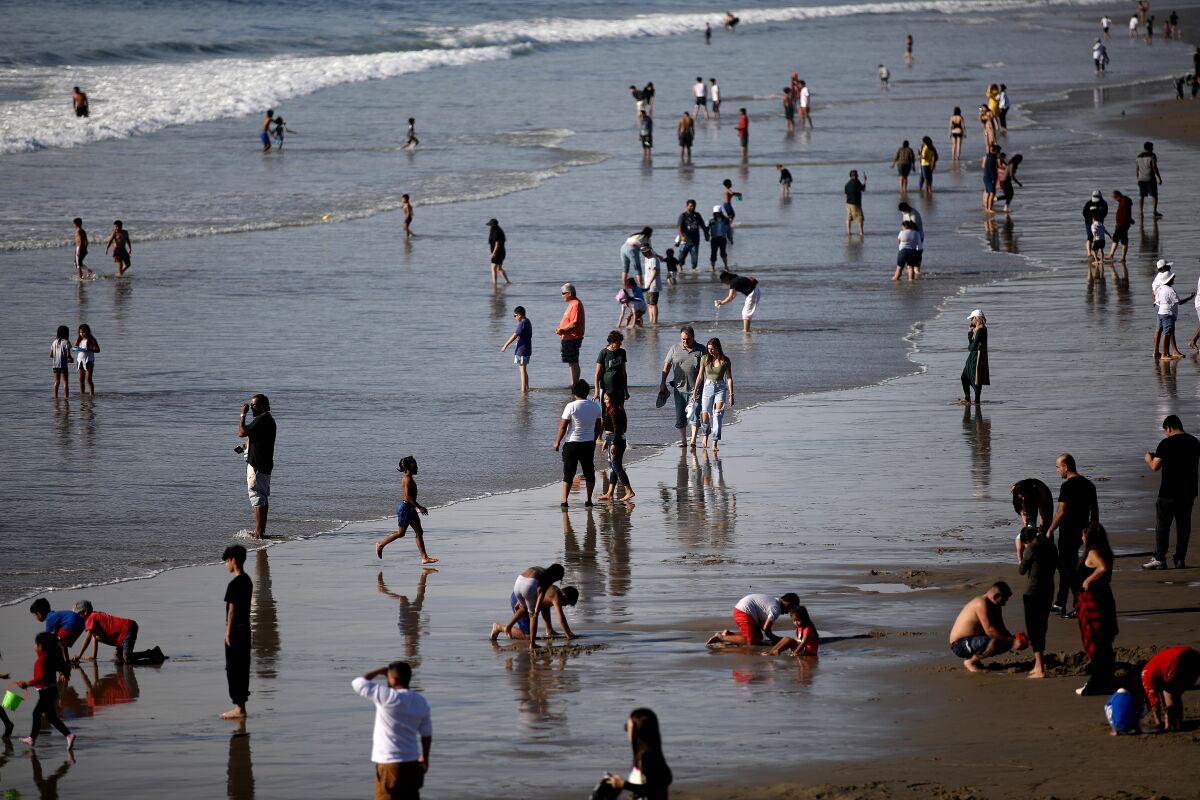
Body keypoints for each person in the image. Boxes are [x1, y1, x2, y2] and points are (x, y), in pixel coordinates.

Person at [351, 661, 432, 800]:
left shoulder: (386, 696)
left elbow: (358, 682)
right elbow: (426, 734)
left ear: (393, 679)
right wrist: (425, 757)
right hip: (412, 763)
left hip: (389, 765)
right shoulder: (420, 701)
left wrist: (380, 671)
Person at [1042, 453, 1098, 616]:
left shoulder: (1067, 486)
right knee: (1063, 565)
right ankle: (1060, 601)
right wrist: (1093, 530)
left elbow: (1061, 511)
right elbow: (1095, 510)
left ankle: (1079, 604)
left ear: (1066, 467)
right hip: (1083, 531)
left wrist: (1050, 529)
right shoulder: (1089, 485)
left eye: (1058, 467)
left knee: (1070, 570)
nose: (1057, 470)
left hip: (1068, 532)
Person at [1142, 414, 1200, 569]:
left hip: (1169, 491)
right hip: (1188, 491)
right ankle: (1180, 558)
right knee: (1183, 526)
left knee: (1163, 525)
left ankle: (1160, 558)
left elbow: (1155, 466)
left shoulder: (1166, 444)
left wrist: (1148, 458)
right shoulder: (1195, 442)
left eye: (1165, 431)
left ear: (1168, 428)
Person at [1075, 523, 1118, 695]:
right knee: (1104, 640)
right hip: (1105, 598)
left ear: (1090, 536)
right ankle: (1106, 678)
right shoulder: (1105, 550)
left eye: (1083, 535)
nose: (1082, 538)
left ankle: (1095, 682)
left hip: (1094, 601)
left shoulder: (1093, 552)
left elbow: (1103, 568)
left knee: (1097, 640)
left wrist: (1088, 580)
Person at [492, 564, 577, 648]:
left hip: (518, 584)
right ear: (565, 596)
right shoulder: (555, 593)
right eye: (567, 603)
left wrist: (549, 629)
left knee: (529, 608)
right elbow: (560, 617)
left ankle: (549, 630)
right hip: (526, 590)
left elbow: (544, 605)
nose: (565, 606)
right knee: (528, 633)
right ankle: (500, 628)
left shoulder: (545, 578)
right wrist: (568, 633)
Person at [15, 633, 74, 750]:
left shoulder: (43, 660)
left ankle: (32, 738)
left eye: (36, 644)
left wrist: (27, 683)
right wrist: (64, 673)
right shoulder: (49, 657)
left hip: (46, 692)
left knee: (37, 714)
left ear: (40, 646)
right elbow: (60, 668)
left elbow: (41, 678)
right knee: (50, 717)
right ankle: (68, 735)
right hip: (50, 691)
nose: (34, 646)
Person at [599, 708, 673, 799]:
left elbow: (654, 789)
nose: (626, 731)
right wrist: (617, 784)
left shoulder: (648, 757)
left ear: (639, 731)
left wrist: (624, 784)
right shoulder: (646, 756)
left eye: (628, 728)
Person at [947, 582, 1021, 672]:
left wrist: (1015, 640)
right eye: (1003, 600)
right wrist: (1012, 641)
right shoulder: (981, 603)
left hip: (973, 639)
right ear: (995, 596)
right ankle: (970, 662)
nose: (1004, 604)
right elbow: (989, 630)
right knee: (996, 641)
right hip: (959, 644)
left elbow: (1001, 629)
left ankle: (975, 659)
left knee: (1005, 641)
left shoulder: (996, 606)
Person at [375, 456, 437, 564]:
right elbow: (407, 497)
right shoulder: (407, 479)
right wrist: (420, 507)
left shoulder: (409, 477)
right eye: (415, 465)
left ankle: (424, 558)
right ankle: (381, 544)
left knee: (419, 531)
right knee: (401, 533)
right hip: (406, 508)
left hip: (410, 508)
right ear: (410, 467)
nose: (417, 467)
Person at [553, 379, 602, 508]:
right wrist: (594, 438)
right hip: (588, 443)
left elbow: (563, 426)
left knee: (569, 472)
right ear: (587, 392)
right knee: (589, 471)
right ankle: (589, 500)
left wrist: (557, 442)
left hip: (572, 443)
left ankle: (564, 500)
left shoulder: (571, 406)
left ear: (574, 392)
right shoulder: (595, 406)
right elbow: (598, 426)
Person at [1017, 524, 1056, 679]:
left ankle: (1039, 667)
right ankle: (1038, 665)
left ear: (1027, 540)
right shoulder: (1051, 546)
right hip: (1048, 589)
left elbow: (1021, 570)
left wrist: (1021, 554)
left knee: (1034, 629)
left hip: (1033, 591)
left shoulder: (1031, 548)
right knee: (1042, 627)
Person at [70, 601, 163, 665]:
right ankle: (153, 654)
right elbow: (95, 637)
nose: (76, 617)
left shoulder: (91, 617)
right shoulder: (93, 618)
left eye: (78, 614)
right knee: (118, 659)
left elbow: (88, 637)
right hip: (121, 634)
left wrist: (79, 655)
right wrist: (94, 656)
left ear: (85, 612)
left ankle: (154, 654)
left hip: (128, 628)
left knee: (127, 658)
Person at [220, 544, 253, 720]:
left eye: (227, 561)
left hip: (236, 630)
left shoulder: (234, 584)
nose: (226, 564)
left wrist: (228, 633)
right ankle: (241, 706)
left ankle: (239, 708)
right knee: (243, 667)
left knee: (233, 669)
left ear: (233, 561)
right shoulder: (247, 581)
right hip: (246, 629)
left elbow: (232, 611)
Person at [658, 326, 704, 449]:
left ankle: (693, 440)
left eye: (687, 339)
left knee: (695, 414)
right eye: (683, 339)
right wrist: (663, 382)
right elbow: (666, 366)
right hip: (679, 389)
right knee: (680, 415)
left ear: (693, 337)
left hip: (697, 389)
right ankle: (683, 440)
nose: (685, 342)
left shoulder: (701, 350)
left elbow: (708, 368)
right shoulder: (674, 348)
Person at [238, 394, 276, 539]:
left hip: (257, 465)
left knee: (257, 496)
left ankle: (259, 533)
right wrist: (246, 447)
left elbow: (242, 432)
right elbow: (253, 436)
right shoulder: (268, 420)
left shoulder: (261, 419)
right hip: (265, 464)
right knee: (263, 497)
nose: (251, 407)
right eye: (251, 405)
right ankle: (261, 531)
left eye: (254, 405)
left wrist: (243, 414)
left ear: (263, 406)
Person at [707, 593, 799, 647]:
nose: (787, 613)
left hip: (741, 609)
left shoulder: (774, 601)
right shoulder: (776, 608)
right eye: (790, 610)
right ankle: (721, 638)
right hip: (744, 612)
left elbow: (763, 627)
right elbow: (766, 629)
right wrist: (776, 640)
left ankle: (728, 634)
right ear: (787, 604)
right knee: (750, 642)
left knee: (758, 637)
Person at [1141, 646, 1200, 731]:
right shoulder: (1156, 674)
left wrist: (1158, 723)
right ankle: (1178, 723)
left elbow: (1154, 702)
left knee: (1168, 693)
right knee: (1175, 694)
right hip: (1191, 654)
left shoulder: (1145, 675)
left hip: (1181, 659)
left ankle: (1172, 726)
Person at [690, 337, 733, 450]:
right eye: (709, 349)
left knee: (717, 415)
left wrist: (731, 395)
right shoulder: (704, 359)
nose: (710, 351)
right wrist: (694, 392)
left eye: (713, 349)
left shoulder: (725, 360)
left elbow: (729, 378)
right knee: (705, 415)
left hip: (720, 387)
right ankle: (705, 436)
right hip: (707, 387)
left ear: (718, 348)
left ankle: (715, 442)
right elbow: (700, 376)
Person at [598, 394, 634, 502]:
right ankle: (609, 493)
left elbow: (618, 429)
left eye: (607, 399)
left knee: (616, 466)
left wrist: (614, 443)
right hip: (611, 438)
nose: (605, 401)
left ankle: (629, 491)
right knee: (612, 467)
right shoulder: (611, 410)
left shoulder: (615, 412)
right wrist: (606, 440)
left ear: (613, 399)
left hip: (616, 440)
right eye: (604, 399)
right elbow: (610, 428)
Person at [29, 598, 83, 668]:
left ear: (39, 614)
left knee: (53, 641)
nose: (36, 617)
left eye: (35, 615)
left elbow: (46, 638)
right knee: (60, 640)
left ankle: (55, 661)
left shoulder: (49, 619)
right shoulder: (54, 615)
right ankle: (66, 660)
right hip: (81, 623)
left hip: (72, 623)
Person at [1010, 478, 1054, 562]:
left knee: (1046, 527)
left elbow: (1043, 512)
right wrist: (1024, 517)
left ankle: (1049, 551)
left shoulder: (1040, 492)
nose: (1022, 498)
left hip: (1042, 495)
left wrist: (1041, 529)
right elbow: (1020, 507)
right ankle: (1032, 551)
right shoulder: (1016, 491)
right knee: (1029, 523)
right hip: (1029, 495)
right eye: (1021, 495)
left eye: (1024, 495)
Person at [1153, 273, 1193, 360]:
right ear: (1169, 280)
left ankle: (1166, 353)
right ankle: (1164, 355)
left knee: (1165, 333)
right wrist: (1190, 297)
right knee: (1166, 334)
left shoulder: (1161, 288)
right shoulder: (1170, 290)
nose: (1173, 280)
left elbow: (1158, 300)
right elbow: (1179, 302)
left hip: (1161, 313)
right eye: (1172, 278)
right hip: (1168, 314)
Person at [556, 283, 586, 385]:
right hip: (568, 337)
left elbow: (574, 323)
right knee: (571, 361)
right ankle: (574, 383)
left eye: (563, 293)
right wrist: (561, 329)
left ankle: (575, 384)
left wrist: (563, 330)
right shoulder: (572, 304)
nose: (562, 295)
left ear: (569, 293)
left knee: (573, 361)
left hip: (573, 337)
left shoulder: (576, 304)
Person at [500, 305, 532, 393]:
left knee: (522, 370)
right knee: (524, 369)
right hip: (526, 348)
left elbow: (514, 335)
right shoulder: (528, 321)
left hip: (522, 349)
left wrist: (505, 345)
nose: (514, 317)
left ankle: (523, 390)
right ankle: (527, 387)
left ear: (519, 315)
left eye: (515, 315)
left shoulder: (522, 323)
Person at [594, 330, 629, 408]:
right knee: (606, 411)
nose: (620, 344)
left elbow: (624, 372)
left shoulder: (622, 352)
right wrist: (596, 391)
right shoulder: (603, 353)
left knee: (619, 410)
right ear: (612, 342)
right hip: (606, 388)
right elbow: (597, 374)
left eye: (621, 342)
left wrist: (626, 391)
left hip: (619, 387)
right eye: (618, 342)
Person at [960, 310, 988, 404]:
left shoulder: (980, 330)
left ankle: (975, 400)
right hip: (974, 357)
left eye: (972, 319)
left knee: (974, 379)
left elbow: (971, 348)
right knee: (967, 377)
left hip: (975, 358)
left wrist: (970, 334)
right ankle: (971, 399)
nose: (971, 321)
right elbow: (971, 347)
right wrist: (972, 333)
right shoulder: (982, 329)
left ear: (976, 318)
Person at [675, 200, 708, 271]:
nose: (692, 207)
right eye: (690, 206)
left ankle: (693, 273)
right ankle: (680, 268)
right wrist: (681, 236)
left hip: (695, 241)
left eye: (693, 206)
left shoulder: (697, 215)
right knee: (681, 257)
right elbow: (679, 227)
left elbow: (702, 225)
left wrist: (706, 234)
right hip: (685, 241)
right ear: (687, 206)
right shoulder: (683, 216)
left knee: (694, 261)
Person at [1135, 141, 1163, 219]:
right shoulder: (1152, 155)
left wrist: (1138, 179)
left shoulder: (1138, 156)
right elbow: (1154, 167)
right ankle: (1154, 211)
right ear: (1150, 148)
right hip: (1150, 178)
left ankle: (1141, 212)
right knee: (1154, 195)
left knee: (1141, 195)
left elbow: (1137, 169)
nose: (1153, 148)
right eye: (1152, 147)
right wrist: (1159, 178)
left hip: (1141, 178)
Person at [73, 324, 99, 396]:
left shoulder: (91, 339)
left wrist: (88, 349)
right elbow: (74, 347)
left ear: (88, 331)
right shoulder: (79, 339)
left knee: (88, 379)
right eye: (80, 332)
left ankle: (91, 395)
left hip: (89, 361)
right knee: (81, 379)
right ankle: (82, 395)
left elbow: (97, 350)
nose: (82, 334)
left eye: (84, 332)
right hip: (80, 361)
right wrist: (76, 344)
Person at [1082, 189, 1108, 259]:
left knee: (1098, 238)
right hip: (1089, 222)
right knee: (1090, 237)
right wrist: (1091, 219)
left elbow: (1105, 213)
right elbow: (1084, 213)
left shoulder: (1104, 204)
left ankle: (1096, 255)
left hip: (1099, 223)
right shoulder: (1089, 203)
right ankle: (1089, 254)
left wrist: (1098, 219)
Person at [50, 325, 73, 398]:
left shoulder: (54, 342)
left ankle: (55, 397)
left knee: (56, 382)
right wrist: (70, 359)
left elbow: (51, 355)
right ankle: (66, 398)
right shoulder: (67, 342)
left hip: (55, 365)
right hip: (63, 365)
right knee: (65, 382)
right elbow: (68, 355)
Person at [642, 245, 663, 324]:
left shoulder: (653, 259)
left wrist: (650, 283)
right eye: (642, 252)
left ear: (649, 251)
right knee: (649, 304)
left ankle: (655, 321)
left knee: (653, 304)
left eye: (644, 252)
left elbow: (655, 272)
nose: (643, 254)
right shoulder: (647, 258)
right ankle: (651, 320)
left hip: (653, 285)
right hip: (647, 285)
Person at [486, 219, 510, 286]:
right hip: (502, 252)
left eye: (490, 225)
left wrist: (494, 253)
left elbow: (497, 244)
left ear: (493, 225)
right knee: (498, 269)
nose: (489, 226)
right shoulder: (499, 231)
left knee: (493, 268)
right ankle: (507, 281)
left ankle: (494, 284)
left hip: (498, 253)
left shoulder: (496, 232)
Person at [844, 169, 866, 236]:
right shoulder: (857, 181)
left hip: (848, 204)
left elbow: (846, 195)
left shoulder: (847, 184)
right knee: (860, 218)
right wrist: (865, 180)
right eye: (857, 175)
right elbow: (863, 188)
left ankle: (848, 232)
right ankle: (861, 232)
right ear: (855, 176)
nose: (857, 176)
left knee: (848, 218)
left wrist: (847, 203)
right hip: (855, 204)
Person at [708, 206, 730, 271]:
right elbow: (707, 228)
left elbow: (729, 230)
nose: (717, 214)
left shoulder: (725, 220)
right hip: (714, 239)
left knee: (723, 253)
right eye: (715, 213)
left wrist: (730, 238)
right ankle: (712, 267)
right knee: (713, 253)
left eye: (718, 213)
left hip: (722, 238)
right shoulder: (711, 220)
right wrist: (707, 235)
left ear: (721, 212)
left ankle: (726, 266)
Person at [981, 144, 999, 213]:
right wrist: (993, 179)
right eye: (998, 151)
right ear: (996, 151)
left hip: (986, 177)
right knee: (991, 193)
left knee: (988, 193)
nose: (998, 153)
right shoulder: (992, 158)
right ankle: (989, 208)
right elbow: (991, 169)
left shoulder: (988, 156)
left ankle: (987, 208)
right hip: (990, 177)